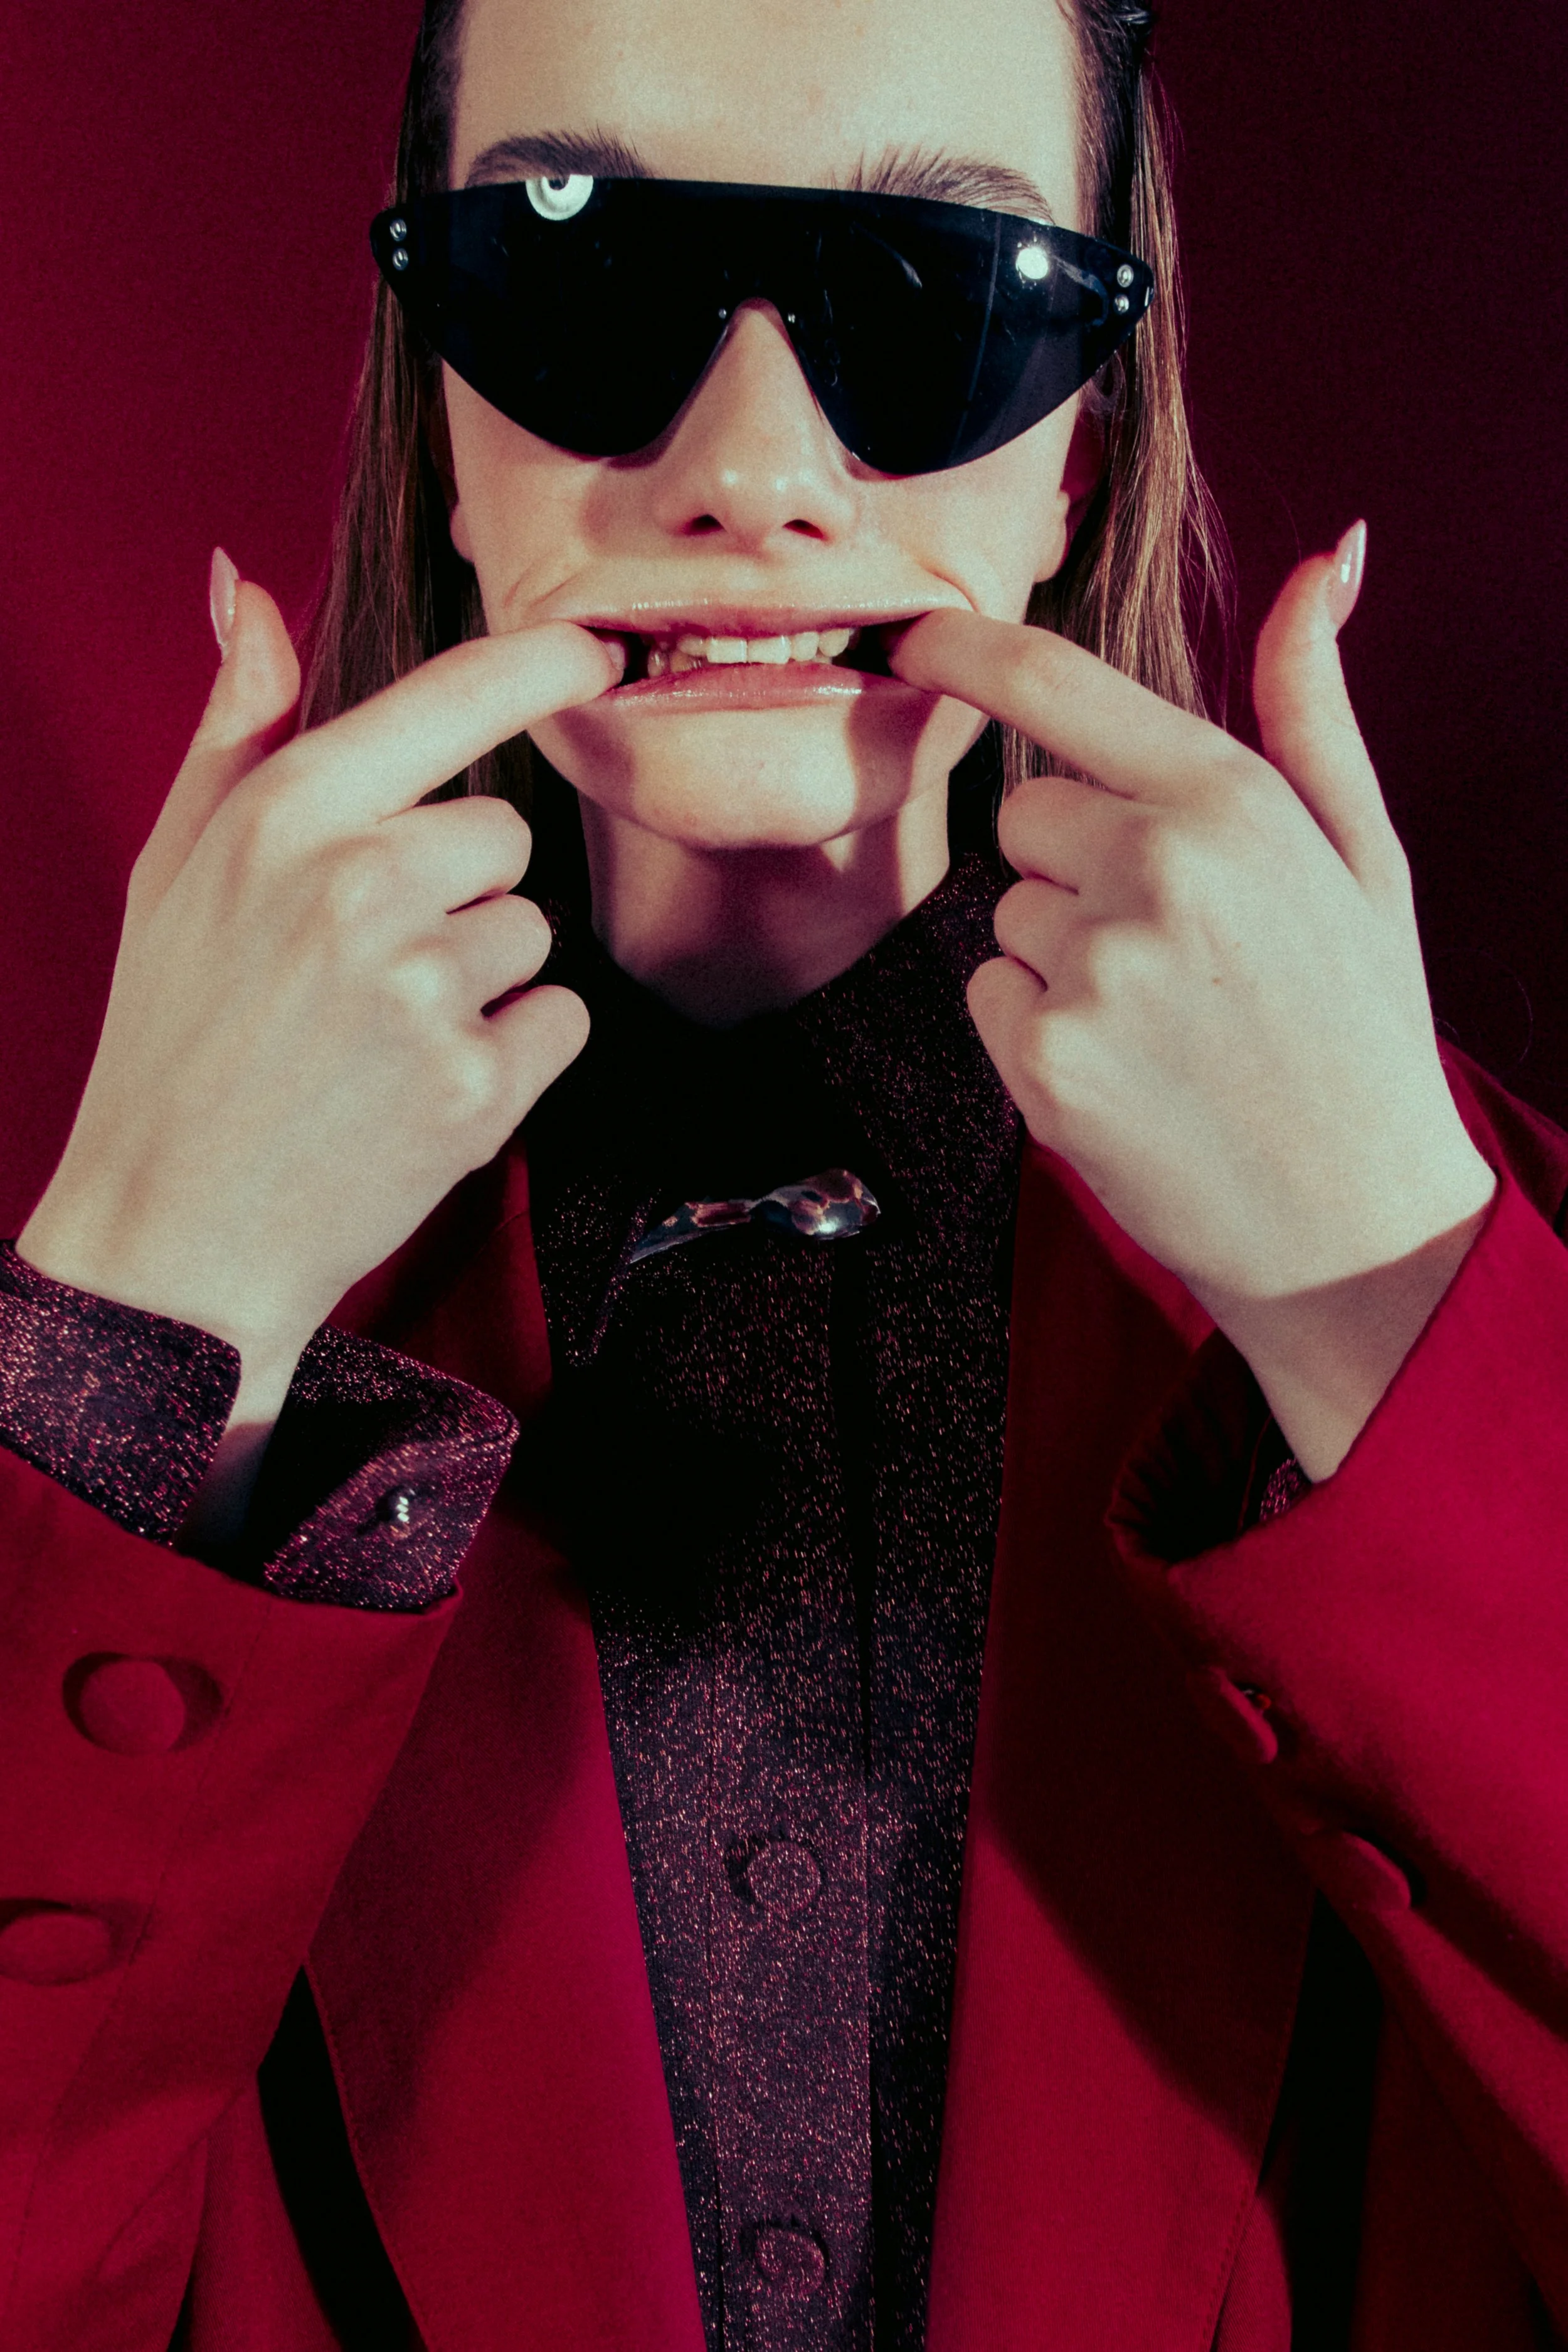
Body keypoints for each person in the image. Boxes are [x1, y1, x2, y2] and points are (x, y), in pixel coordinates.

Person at [1, 0, 1565, 2344]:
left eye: (934, 298)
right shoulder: (149, 1324)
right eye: (573, 257)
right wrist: (141, 1321)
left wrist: (1381, 1299)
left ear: (1077, 447)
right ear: (442, 417)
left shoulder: (1461, 1244)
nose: (747, 472)